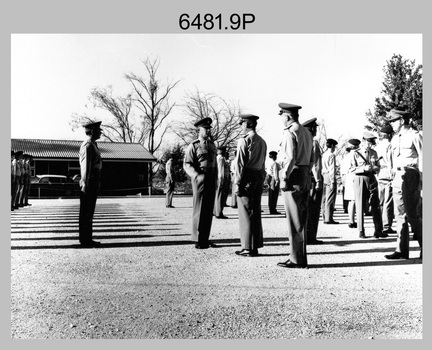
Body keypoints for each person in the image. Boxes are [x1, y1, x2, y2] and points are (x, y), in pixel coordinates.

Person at [276, 103, 313, 268]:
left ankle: (296, 258)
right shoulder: (306, 131)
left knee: (293, 219)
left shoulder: (290, 131)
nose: (282, 119)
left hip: (293, 175)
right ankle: (300, 256)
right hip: (304, 173)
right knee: (301, 218)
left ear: (287, 116)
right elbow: (312, 159)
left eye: (282, 116)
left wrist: (284, 175)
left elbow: (290, 158)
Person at [384, 109, 422, 260]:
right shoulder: (394, 138)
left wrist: (423, 181)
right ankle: (401, 250)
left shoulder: (415, 135)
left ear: (401, 120)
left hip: (411, 174)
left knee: (412, 215)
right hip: (398, 177)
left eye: (393, 121)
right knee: (399, 215)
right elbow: (391, 159)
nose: (391, 124)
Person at [233, 114, 267, 257]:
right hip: (258, 177)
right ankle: (255, 245)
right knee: (255, 212)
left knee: (246, 213)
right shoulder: (262, 141)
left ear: (248, 124)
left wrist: (237, 183)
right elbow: (263, 163)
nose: (241, 126)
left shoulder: (244, 140)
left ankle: (247, 247)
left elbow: (240, 164)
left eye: (242, 123)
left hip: (246, 177)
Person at [183, 117, 218, 249]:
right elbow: (187, 164)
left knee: (208, 209)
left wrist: (217, 178)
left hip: (211, 177)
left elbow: (214, 164)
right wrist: (196, 175)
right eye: (205, 129)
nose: (208, 131)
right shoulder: (194, 145)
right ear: (199, 129)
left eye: (209, 129)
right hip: (200, 177)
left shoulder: (212, 145)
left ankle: (205, 237)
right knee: (199, 208)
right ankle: (198, 239)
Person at [349, 131, 384, 239]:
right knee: (360, 205)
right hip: (360, 179)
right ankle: (361, 230)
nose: (371, 144)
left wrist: (375, 168)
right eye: (369, 142)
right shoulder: (355, 153)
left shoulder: (374, 152)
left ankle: (378, 230)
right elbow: (351, 169)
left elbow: (378, 166)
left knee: (376, 204)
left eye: (372, 142)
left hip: (372, 178)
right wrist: (363, 168)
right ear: (364, 141)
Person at [79, 121, 103, 248]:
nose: (100, 132)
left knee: (90, 211)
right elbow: (86, 166)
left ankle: (87, 237)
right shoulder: (88, 145)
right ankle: (85, 239)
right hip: (89, 179)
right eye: (98, 130)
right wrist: (85, 183)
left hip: (94, 179)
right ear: (92, 131)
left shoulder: (93, 144)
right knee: (86, 211)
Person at [303, 118, 324, 245]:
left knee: (305, 208)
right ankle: (311, 236)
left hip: (304, 177)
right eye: (315, 128)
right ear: (311, 129)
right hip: (312, 179)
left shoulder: (301, 140)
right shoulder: (313, 142)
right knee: (313, 208)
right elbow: (316, 164)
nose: (316, 130)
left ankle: (305, 235)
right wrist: (318, 180)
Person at [376, 125, 396, 234]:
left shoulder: (378, 146)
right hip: (388, 174)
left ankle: (379, 224)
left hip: (380, 173)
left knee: (381, 200)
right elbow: (390, 161)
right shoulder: (390, 145)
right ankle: (387, 225)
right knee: (388, 201)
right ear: (389, 135)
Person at [321, 138, 339, 224]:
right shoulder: (331, 155)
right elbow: (332, 169)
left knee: (324, 197)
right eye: (334, 146)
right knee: (330, 198)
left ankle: (324, 216)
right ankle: (329, 218)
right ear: (332, 146)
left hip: (324, 175)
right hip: (329, 175)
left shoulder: (324, 154)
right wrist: (332, 181)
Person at [344, 140, 360, 228]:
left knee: (351, 200)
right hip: (354, 177)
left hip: (348, 177)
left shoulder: (347, 155)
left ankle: (351, 220)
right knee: (354, 199)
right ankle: (353, 220)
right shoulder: (355, 154)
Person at [213, 146, 229, 218]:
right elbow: (220, 170)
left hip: (218, 178)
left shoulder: (217, 158)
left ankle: (215, 211)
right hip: (221, 178)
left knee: (218, 195)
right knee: (220, 196)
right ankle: (219, 212)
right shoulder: (221, 159)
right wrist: (221, 180)